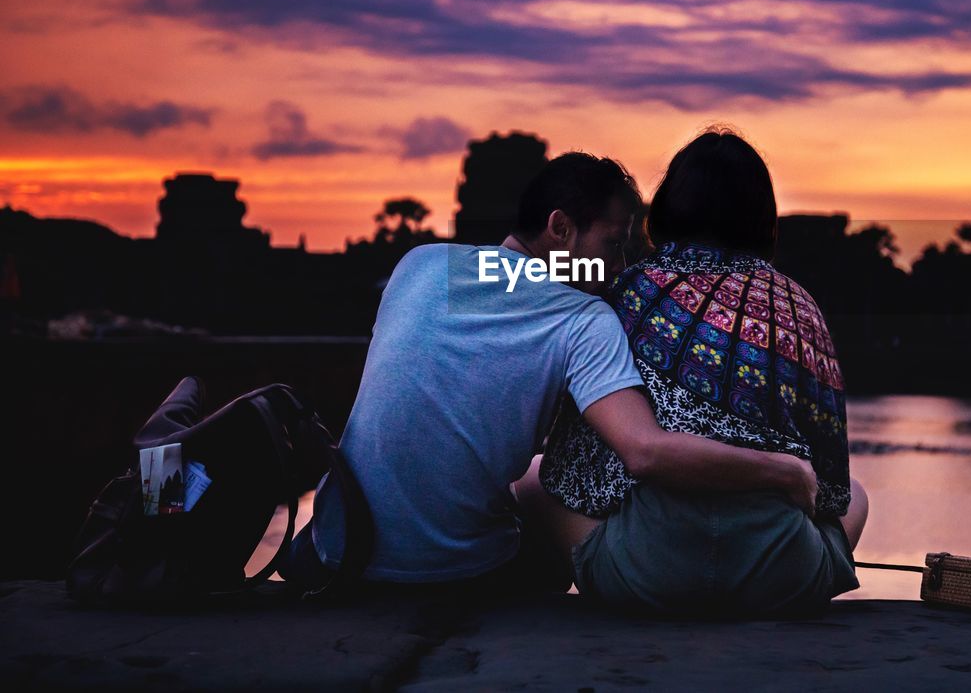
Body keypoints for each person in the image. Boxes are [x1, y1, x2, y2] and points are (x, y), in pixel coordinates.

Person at [282, 151, 818, 595]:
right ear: (560, 227)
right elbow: (645, 450)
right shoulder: (582, 318)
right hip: (459, 578)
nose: (619, 265)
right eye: (613, 242)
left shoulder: (420, 266)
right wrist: (783, 471)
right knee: (542, 483)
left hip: (338, 554)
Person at [525, 129, 869, 617]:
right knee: (858, 497)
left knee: (536, 479)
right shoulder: (801, 307)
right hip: (779, 575)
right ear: (762, 216)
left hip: (642, 572)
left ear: (667, 207)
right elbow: (829, 490)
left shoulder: (625, 293)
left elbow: (573, 467)